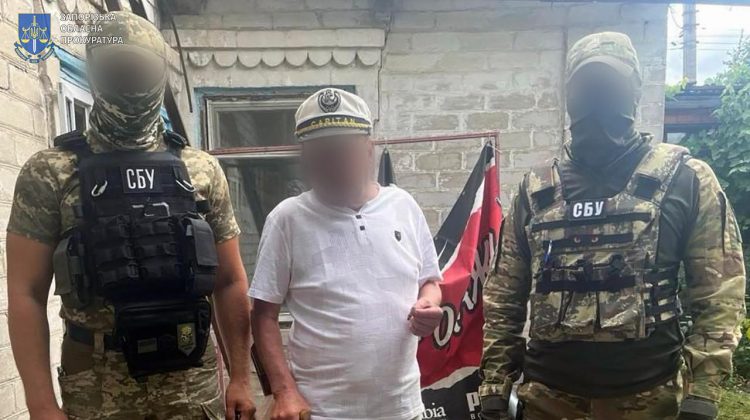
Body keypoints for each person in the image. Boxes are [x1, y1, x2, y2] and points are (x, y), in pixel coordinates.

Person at [479, 32, 746, 420]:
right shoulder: (536, 190)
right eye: (587, 86)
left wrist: (703, 393)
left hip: (648, 397)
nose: (597, 98)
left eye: (610, 85)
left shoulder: (686, 179)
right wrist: (494, 385)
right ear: (569, 96)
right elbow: (504, 294)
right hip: (548, 399)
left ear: (634, 90)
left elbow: (719, 291)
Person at [6, 12, 255, 420]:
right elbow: (26, 293)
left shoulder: (200, 169)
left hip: (191, 384)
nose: (129, 81)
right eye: (117, 68)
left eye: (140, 69)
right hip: (97, 389)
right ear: (94, 72)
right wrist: (41, 404)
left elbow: (229, 281)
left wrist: (241, 379)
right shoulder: (51, 172)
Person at [250, 88, 443, 420]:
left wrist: (428, 303)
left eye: (342, 152)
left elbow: (430, 281)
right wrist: (284, 392)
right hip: (323, 411)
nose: (332, 165)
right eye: (321, 155)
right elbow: (263, 315)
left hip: (402, 408)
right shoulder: (288, 219)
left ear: (368, 149)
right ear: (305, 158)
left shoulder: (403, 206)